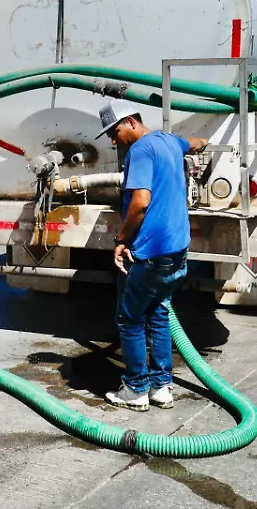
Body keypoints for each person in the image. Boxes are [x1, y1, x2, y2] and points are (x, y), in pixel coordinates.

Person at [96, 99, 208, 411]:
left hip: (150, 252)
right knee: (158, 314)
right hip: (177, 249)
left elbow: (141, 202)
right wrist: (205, 143)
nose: (112, 139)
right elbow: (194, 143)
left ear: (130, 121)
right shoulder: (170, 141)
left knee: (129, 319)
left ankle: (135, 389)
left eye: (114, 131)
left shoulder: (141, 151)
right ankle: (161, 387)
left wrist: (121, 239)